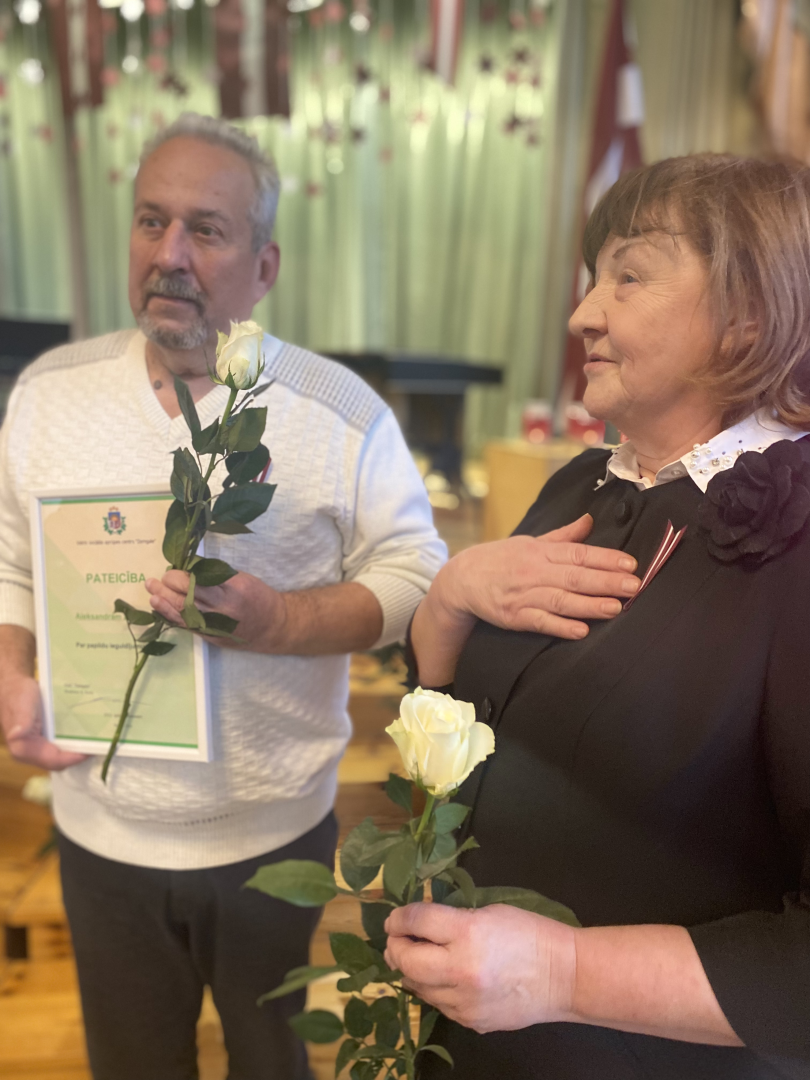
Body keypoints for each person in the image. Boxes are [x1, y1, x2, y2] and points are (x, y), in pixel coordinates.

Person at [0, 112, 451, 1080]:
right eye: (150, 221)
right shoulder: (46, 394)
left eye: (205, 229)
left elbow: (416, 576)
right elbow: (12, 558)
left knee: (272, 1064)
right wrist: (10, 666)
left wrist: (282, 620)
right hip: (99, 832)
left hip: (270, 841)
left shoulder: (340, 414)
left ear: (265, 264)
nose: (169, 253)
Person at [386, 154, 810, 1080]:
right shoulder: (583, 485)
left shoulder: (800, 535)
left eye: (629, 275)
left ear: (748, 313)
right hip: (483, 1034)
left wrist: (564, 972)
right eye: (592, 278)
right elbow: (464, 731)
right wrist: (446, 605)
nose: (583, 313)